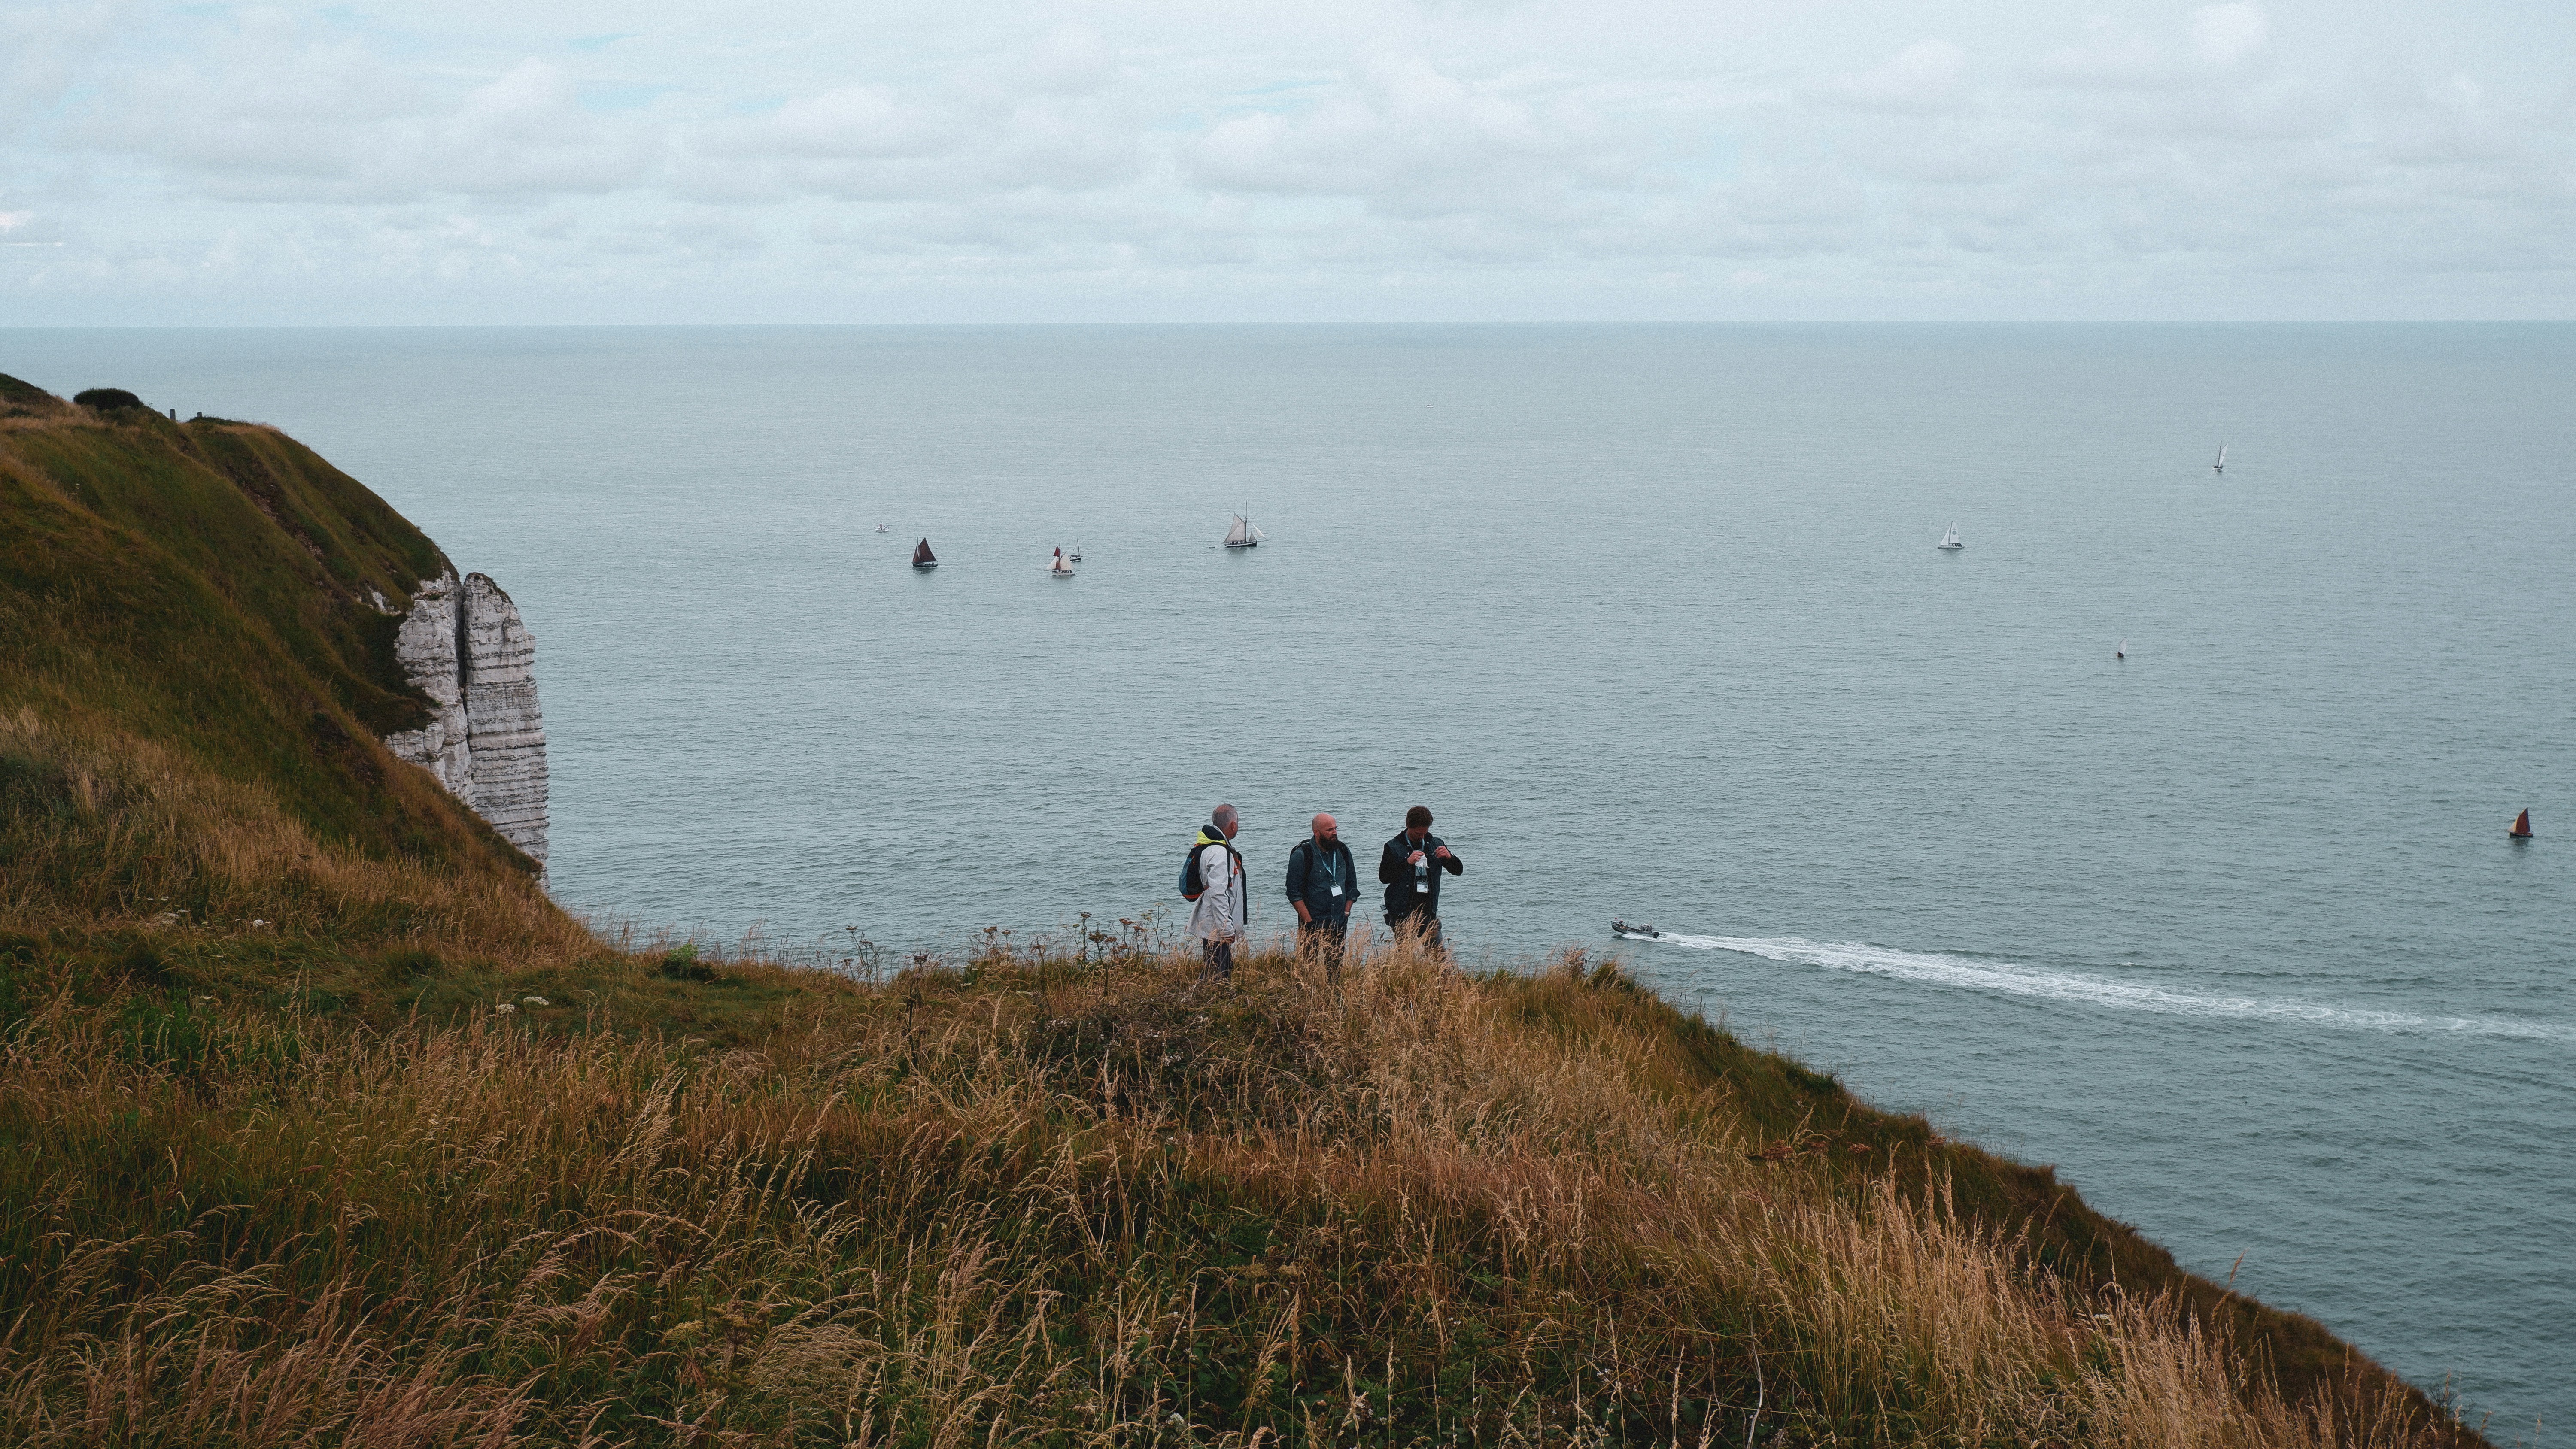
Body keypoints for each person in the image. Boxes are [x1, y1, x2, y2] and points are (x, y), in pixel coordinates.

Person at [1284, 812, 1361, 974]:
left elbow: (1352, 885)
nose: (1335, 833)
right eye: (1329, 830)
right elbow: (1293, 893)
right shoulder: (1303, 854)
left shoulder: (1343, 851)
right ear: (1316, 832)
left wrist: (1346, 912)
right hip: (1312, 921)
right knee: (1308, 968)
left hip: (1338, 921)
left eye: (1335, 828)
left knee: (1334, 968)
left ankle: (1332, 995)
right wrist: (1309, 922)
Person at [1379, 805, 1463, 949]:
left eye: (1425, 833)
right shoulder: (1393, 847)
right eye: (1418, 834)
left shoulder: (1436, 844)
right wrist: (1407, 863)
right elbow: (1384, 877)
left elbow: (1458, 871)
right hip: (1402, 913)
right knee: (1405, 957)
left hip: (1428, 912)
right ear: (1408, 826)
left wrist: (1450, 857)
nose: (1422, 837)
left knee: (1439, 956)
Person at [1188, 803, 1247, 982]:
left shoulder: (1210, 847)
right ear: (1233, 825)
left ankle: (1208, 998)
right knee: (1220, 973)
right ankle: (1214, 1003)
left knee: (1215, 967)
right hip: (1216, 926)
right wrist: (1226, 929)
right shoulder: (1221, 852)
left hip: (1212, 923)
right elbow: (1219, 894)